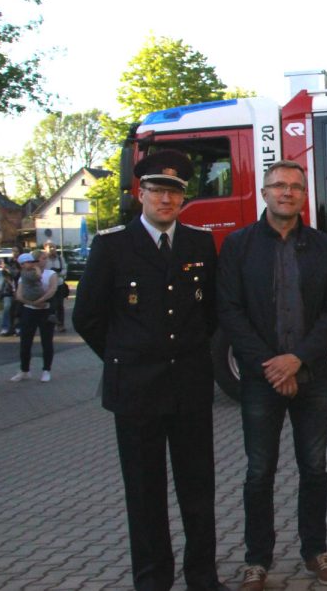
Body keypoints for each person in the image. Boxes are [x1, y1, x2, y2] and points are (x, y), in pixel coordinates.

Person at [72, 149, 226, 591]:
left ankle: (202, 577)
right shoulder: (112, 245)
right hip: (136, 391)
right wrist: (125, 356)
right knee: (144, 495)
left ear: (183, 199)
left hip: (190, 387)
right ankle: (152, 580)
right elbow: (88, 317)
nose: (166, 200)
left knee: (198, 490)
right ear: (141, 193)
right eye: (158, 190)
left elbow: (210, 312)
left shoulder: (199, 242)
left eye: (175, 192)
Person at [217, 160, 327, 591]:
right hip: (260, 378)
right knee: (259, 473)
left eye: (295, 186)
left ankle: (316, 552)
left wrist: (299, 359)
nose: (287, 192)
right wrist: (270, 365)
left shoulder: (323, 245)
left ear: (303, 194)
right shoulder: (238, 245)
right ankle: (257, 562)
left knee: (314, 469)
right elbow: (230, 312)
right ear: (264, 192)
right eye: (278, 185)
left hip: (310, 375)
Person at [10, 251, 58, 382]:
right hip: (29, 310)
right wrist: (33, 303)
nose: (45, 261)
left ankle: (46, 370)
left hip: (45, 311)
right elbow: (19, 295)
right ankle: (24, 370)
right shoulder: (24, 276)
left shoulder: (51, 274)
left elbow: (52, 290)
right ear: (35, 261)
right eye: (42, 258)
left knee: (46, 341)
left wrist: (41, 301)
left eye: (46, 258)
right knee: (25, 341)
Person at [43, 242, 68, 331]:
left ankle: (60, 324)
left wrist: (59, 274)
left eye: (53, 247)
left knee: (60, 305)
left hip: (59, 284)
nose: (52, 249)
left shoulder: (60, 258)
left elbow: (65, 269)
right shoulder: (44, 259)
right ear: (45, 248)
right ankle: (49, 324)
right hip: (48, 286)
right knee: (51, 305)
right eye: (50, 247)